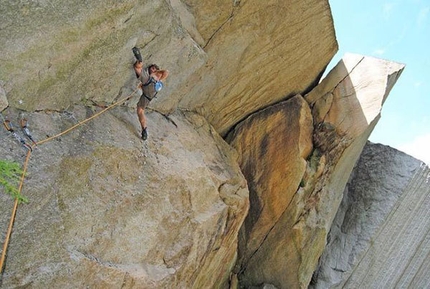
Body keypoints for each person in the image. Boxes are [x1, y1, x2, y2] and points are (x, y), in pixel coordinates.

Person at [134, 59, 169, 140]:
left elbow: (166, 71)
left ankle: (139, 61)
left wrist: (156, 72)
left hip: (150, 85)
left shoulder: (156, 75)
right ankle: (144, 130)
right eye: (151, 68)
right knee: (140, 111)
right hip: (148, 96)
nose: (152, 69)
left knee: (137, 68)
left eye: (154, 68)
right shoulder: (157, 78)